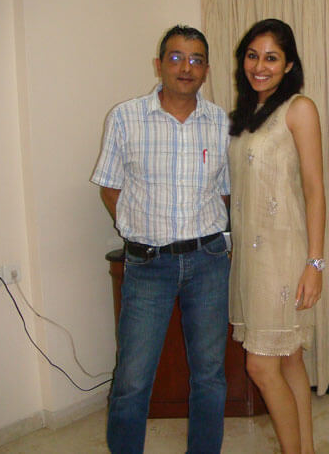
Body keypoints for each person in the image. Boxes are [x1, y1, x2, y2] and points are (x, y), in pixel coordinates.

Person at [91, 25, 231, 454]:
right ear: (158, 65)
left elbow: (223, 193)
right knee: (132, 380)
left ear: (206, 69)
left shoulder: (221, 123)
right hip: (148, 265)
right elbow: (110, 187)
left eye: (196, 59)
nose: (186, 67)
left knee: (209, 375)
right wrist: (139, 233)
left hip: (208, 260)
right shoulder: (125, 117)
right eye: (175, 57)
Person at [228, 18, 326, 454]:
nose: (259, 66)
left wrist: (315, 263)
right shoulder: (247, 115)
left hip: (284, 257)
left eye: (271, 58)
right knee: (289, 360)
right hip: (251, 258)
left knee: (261, 367)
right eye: (253, 56)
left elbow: (315, 189)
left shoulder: (298, 108)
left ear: (288, 65)